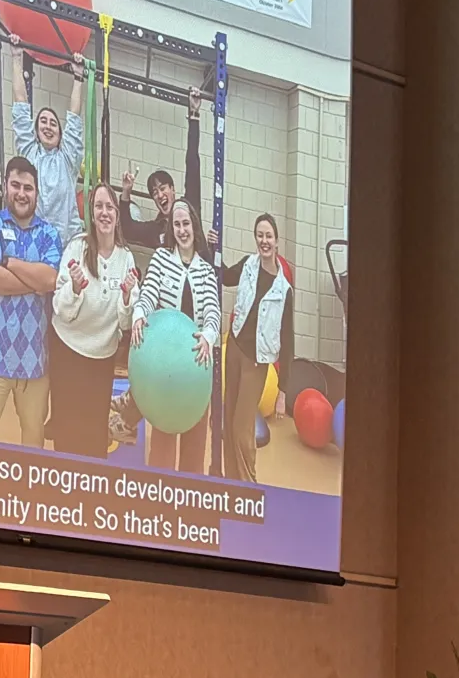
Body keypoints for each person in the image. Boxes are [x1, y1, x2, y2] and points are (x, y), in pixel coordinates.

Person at [0, 156, 63, 447]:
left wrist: (10, 263)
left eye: (28, 188)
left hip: (33, 361)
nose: (22, 193)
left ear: (37, 193)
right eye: (16, 185)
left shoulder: (49, 235)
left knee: (34, 442)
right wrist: (33, 281)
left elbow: (50, 280)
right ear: (5, 187)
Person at [130, 199, 221, 474]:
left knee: (194, 448)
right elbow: (148, 294)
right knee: (162, 447)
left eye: (186, 224)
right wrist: (139, 314)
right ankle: (159, 506)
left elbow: (213, 313)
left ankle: (189, 506)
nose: (182, 230)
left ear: (195, 226)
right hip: (164, 367)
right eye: (177, 224)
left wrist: (207, 336)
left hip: (195, 366)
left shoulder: (206, 270)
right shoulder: (160, 258)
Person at [49, 182, 137, 457]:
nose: (104, 212)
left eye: (109, 206)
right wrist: (74, 288)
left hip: (101, 357)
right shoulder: (77, 247)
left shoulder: (126, 259)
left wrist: (125, 298)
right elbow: (60, 308)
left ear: (117, 214)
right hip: (67, 350)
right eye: (98, 206)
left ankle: (89, 491)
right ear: (91, 212)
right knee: (66, 429)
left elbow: (125, 323)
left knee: (94, 434)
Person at [218, 213, 294, 483]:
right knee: (228, 419)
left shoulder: (284, 289)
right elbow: (225, 277)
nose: (264, 241)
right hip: (235, 349)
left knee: (242, 428)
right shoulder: (249, 265)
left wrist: (283, 391)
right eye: (260, 235)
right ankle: (230, 480)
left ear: (276, 240)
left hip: (256, 362)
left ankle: (249, 484)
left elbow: (288, 339)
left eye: (268, 236)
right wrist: (211, 248)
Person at [120, 88, 218, 253]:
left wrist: (194, 115)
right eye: (154, 192)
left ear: (173, 190)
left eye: (162, 188)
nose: (159, 195)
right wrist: (126, 192)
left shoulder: (189, 207)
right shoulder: (154, 230)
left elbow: (192, 165)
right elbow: (127, 228)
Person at [7, 35, 84, 240]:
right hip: (34, 239)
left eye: (53, 123)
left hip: (66, 243)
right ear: (36, 131)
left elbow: (74, 118)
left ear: (60, 133)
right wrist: (16, 57)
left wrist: (78, 77)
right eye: (43, 121)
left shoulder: (67, 160)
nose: (48, 126)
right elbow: (21, 104)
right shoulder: (30, 153)